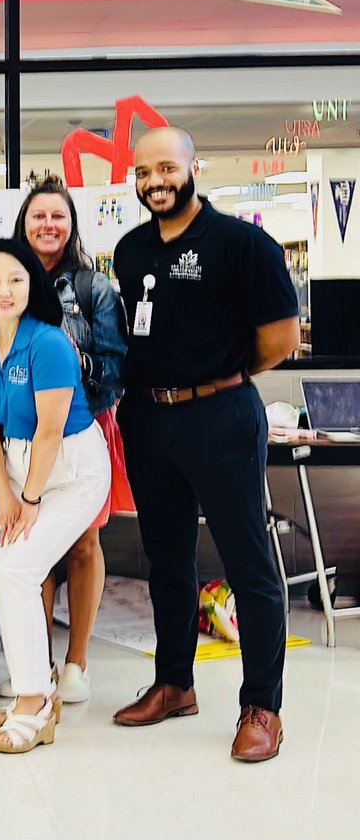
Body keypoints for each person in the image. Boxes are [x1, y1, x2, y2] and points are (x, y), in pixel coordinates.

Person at [112, 126, 298, 763]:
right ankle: (174, 684)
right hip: (149, 419)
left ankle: (262, 707)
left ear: (195, 167)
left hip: (221, 416)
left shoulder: (241, 244)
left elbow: (280, 338)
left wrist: (220, 376)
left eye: (167, 168)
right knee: (166, 561)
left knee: (249, 564)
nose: (155, 182)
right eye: (143, 172)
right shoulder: (131, 250)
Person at [0, 238, 111, 754]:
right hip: (17, 469)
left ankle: (34, 701)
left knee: (18, 569)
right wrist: (6, 495)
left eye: (15, 279)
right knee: (4, 569)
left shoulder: (49, 343)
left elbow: (50, 431)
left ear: (33, 285)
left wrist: (27, 501)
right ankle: (36, 687)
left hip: (72, 471)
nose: (3, 290)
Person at [1, 176, 128, 704]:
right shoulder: (5, 283)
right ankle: (37, 666)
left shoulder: (95, 289)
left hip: (82, 431)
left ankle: (76, 664)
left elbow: (118, 369)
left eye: (58, 216)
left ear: (72, 225)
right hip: (21, 438)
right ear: (23, 224)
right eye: (39, 215)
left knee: (82, 544)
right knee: (30, 547)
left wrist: (81, 368)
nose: (48, 225)